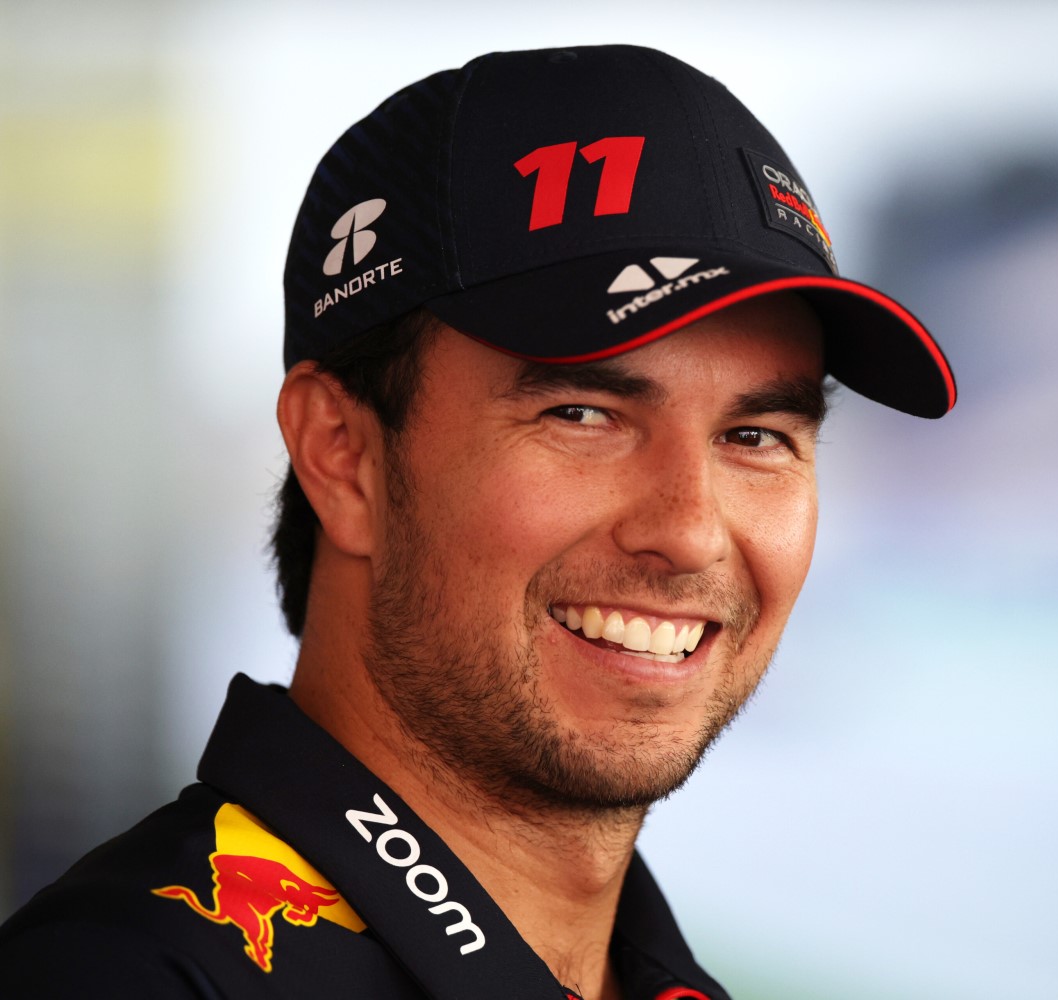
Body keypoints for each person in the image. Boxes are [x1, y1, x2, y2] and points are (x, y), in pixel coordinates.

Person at [0, 44, 954, 998]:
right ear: (342, 452)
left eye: (756, 435)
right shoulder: (124, 977)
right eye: (584, 416)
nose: (692, 531)